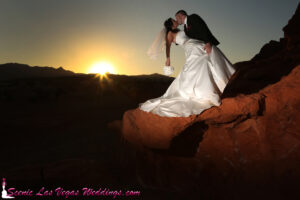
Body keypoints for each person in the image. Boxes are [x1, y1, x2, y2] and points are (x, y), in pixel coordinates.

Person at [138, 16, 236, 117]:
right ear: (171, 24)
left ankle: (222, 83)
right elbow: (168, 46)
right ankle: (204, 91)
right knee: (201, 63)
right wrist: (168, 59)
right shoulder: (170, 34)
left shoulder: (181, 29)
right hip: (190, 48)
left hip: (196, 44)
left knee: (209, 56)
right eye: (173, 20)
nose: (176, 21)